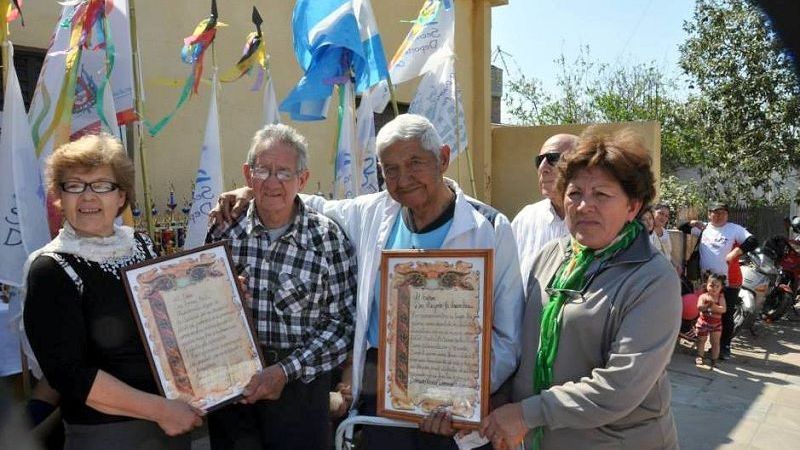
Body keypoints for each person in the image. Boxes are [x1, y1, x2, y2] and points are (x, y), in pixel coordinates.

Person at [213, 114, 524, 449]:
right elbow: (307, 203)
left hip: (454, 404)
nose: (403, 178)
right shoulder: (374, 212)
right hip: (382, 395)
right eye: (390, 168)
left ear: (443, 159)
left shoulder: (489, 227)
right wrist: (253, 190)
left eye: (415, 162)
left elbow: (507, 336)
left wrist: (463, 397)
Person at [479, 127, 681, 449]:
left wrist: (525, 413)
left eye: (601, 194)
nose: (585, 205)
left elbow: (619, 386)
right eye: (574, 193)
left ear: (633, 206)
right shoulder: (551, 257)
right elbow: (520, 347)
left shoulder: (653, 278)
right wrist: (494, 400)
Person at [22, 134, 202, 450]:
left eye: (102, 185)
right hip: (110, 434)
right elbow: (71, 375)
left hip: (171, 425)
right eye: (75, 185)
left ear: (121, 197)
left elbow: (165, 313)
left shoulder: (141, 244)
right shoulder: (49, 270)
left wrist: (210, 293)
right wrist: (162, 411)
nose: (88, 196)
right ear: (59, 197)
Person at [205, 124, 357, 450]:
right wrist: (223, 298)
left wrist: (285, 372)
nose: (273, 182)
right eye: (263, 169)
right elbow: (199, 308)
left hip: (300, 389)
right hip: (234, 388)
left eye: (285, 172)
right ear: (248, 174)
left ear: (302, 179)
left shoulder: (328, 239)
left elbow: (343, 326)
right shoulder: (224, 231)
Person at [678, 201, 758, 360]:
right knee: (705, 312)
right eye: (714, 212)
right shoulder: (704, 227)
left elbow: (753, 241)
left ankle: (724, 348)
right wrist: (692, 222)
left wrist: (736, 252)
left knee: (726, 314)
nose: (718, 215)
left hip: (729, 281)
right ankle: (703, 344)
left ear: (727, 214)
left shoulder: (734, 229)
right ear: (709, 214)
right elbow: (682, 228)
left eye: (722, 212)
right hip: (707, 281)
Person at [511, 134, 579, 291]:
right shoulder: (526, 219)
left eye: (553, 158)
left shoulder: (597, 218)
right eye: (539, 161)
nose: (543, 168)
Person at [695, 272, 727, 368]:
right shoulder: (703, 296)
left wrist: (714, 306)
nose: (714, 288)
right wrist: (707, 306)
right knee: (701, 340)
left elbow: (723, 309)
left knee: (715, 342)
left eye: (717, 286)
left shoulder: (721, 297)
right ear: (707, 285)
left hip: (716, 324)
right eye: (711, 286)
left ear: (721, 287)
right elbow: (699, 307)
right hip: (703, 322)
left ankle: (714, 359)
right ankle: (700, 356)